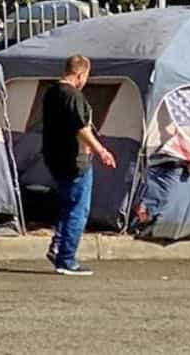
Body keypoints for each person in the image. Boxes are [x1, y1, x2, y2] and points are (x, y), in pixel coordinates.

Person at [42, 55, 117, 276]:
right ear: (80, 74)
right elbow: (80, 128)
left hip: (54, 156)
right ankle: (67, 260)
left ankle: (58, 246)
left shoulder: (51, 92)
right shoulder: (73, 95)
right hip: (74, 159)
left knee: (67, 204)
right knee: (78, 209)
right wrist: (100, 150)